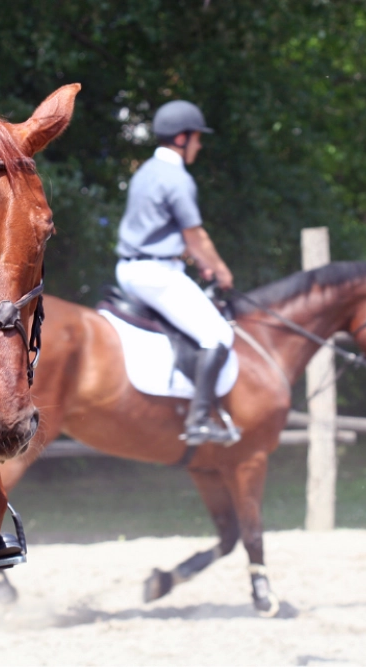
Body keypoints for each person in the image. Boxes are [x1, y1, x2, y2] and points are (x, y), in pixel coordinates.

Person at [115, 100, 237, 446]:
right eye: (197, 139)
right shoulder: (177, 178)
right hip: (156, 274)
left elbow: (161, 230)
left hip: (129, 269)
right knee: (218, 336)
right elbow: (195, 235)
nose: (199, 145)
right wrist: (221, 270)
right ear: (182, 138)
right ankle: (199, 420)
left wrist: (198, 261)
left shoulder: (145, 171)